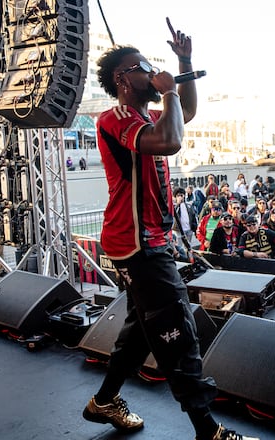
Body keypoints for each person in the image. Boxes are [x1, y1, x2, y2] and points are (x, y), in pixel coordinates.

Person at [84, 23, 256, 440]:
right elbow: (171, 140)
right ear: (123, 80)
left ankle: (104, 401)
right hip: (138, 243)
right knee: (176, 327)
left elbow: (187, 115)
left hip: (145, 239)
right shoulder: (117, 117)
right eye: (141, 66)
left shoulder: (145, 114)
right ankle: (208, 430)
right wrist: (169, 90)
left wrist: (184, 65)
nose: (150, 70)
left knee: (144, 326)